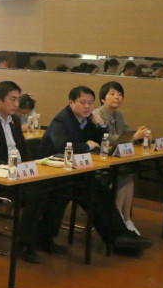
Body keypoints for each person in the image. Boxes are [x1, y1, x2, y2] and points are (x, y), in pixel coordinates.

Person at [39, 86, 152, 256]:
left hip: (75, 172)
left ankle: (120, 239)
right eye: (82, 102)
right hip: (52, 173)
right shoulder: (61, 120)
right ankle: (118, 238)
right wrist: (86, 146)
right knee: (85, 192)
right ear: (71, 103)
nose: (87, 107)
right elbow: (61, 146)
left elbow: (100, 142)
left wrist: (102, 125)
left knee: (102, 193)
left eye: (90, 103)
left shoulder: (89, 119)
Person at [0, 81, 67, 263]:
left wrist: (29, 167)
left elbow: (24, 149)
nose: (16, 104)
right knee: (37, 194)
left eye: (18, 100)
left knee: (59, 189)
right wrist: (16, 170)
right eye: (12, 99)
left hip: (21, 174)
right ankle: (24, 244)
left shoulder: (14, 120)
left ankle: (44, 238)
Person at [93, 81, 149, 236]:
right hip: (99, 160)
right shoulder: (97, 114)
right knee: (123, 177)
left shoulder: (118, 115)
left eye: (120, 94)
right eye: (112, 94)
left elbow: (128, 132)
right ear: (103, 99)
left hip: (114, 159)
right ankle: (118, 220)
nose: (117, 97)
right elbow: (107, 139)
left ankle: (126, 219)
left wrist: (142, 134)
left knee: (128, 176)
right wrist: (134, 137)